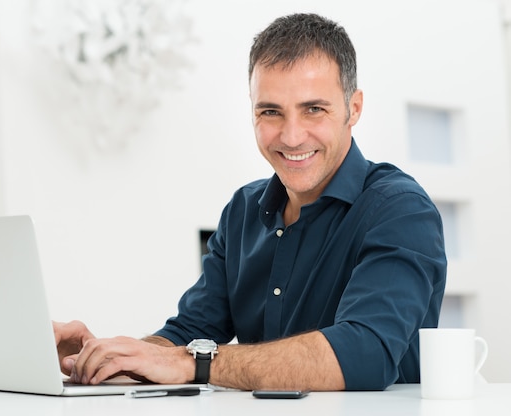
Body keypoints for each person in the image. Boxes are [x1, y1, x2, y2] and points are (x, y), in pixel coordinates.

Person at [53, 12, 446, 391]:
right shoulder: (243, 210)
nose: (291, 137)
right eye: (271, 112)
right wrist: (108, 359)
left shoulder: (400, 210)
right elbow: (187, 335)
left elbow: (366, 353)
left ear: (353, 108)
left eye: (314, 109)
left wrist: (194, 363)